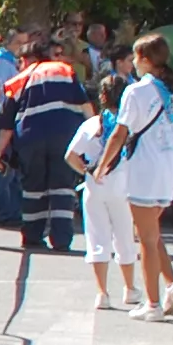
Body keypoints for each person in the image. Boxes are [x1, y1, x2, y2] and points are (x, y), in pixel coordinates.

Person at [92, 34, 173, 316]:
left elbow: (120, 132)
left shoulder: (136, 92)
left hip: (144, 170)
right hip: (168, 170)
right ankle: (171, 285)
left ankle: (153, 303)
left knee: (144, 239)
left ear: (145, 59)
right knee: (150, 233)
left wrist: (101, 165)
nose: (133, 62)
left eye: (136, 57)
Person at [0, 34, 87, 252]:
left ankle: (32, 236)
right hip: (65, 137)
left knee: (33, 189)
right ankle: (62, 239)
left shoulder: (19, 80)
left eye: (20, 61)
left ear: (29, 60)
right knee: (62, 188)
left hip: (31, 139)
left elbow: (7, 125)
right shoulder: (65, 71)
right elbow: (86, 106)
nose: (19, 65)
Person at [69, 74, 134, 311]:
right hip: (123, 184)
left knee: (97, 238)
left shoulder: (92, 124)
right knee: (124, 236)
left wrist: (87, 170)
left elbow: (70, 155)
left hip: (95, 185)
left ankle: (102, 293)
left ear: (102, 96)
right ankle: (129, 288)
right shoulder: (130, 126)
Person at [0, 24, 25, 235]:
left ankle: (14, 212)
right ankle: (6, 214)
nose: (21, 47)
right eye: (19, 43)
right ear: (9, 43)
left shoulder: (12, 62)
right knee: (4, 168)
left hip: (10, 117)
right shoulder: (1, 63)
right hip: (2, 118)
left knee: (13, 169)